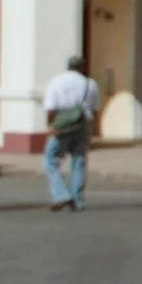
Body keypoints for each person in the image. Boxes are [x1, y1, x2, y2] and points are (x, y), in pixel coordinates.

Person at [43, 54, 100, 212]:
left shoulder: (56, 81)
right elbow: (95, 109)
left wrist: (50, 125)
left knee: (51, 159)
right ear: (82, 67)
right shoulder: (91, 84)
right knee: (79, 160)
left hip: (62, 125)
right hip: (82, 124)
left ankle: (61, 194)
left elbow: (51, 107)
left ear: (68, 67)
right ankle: (78, 200)